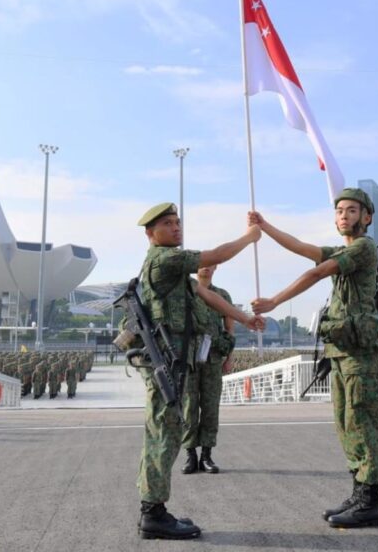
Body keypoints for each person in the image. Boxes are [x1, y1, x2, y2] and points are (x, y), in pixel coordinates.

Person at [251, 188, 378, 529]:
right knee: (345, 421)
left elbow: (316, 272)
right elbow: (302, 248)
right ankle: (359, 491)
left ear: (367, 217)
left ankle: (370, 499)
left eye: (352, 210)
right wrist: (266, 227)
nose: (344, 215)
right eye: (340, 210)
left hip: (358, 351)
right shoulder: (344, 249)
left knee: (362, 419)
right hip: (342, 349)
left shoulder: (362, 247)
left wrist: (274, 302)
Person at [131, 202, 263, 540]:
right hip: (169, 361)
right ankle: (153, 513)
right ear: (150, 234)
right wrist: (250, 237)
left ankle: (153, 509)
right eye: (167, 224)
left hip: (173, 360)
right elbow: (218, 253)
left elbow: (206, 295)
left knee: (164, 432)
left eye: (177, 222)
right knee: (164, 434)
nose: (176, 228)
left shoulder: (173, 271)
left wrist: (245, 319)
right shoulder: (166, 259)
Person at [180, 265, 237, 475]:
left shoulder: (221, 295)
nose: (205, 269)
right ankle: (190, 455)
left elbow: (230, 329)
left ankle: (207, 455)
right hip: (189, 358)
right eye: (202, 265)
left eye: (210, 265)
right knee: (188, 406)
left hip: (213, 358)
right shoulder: (186, 293)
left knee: (211, 407)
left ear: (215, 267)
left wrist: (229, 358)